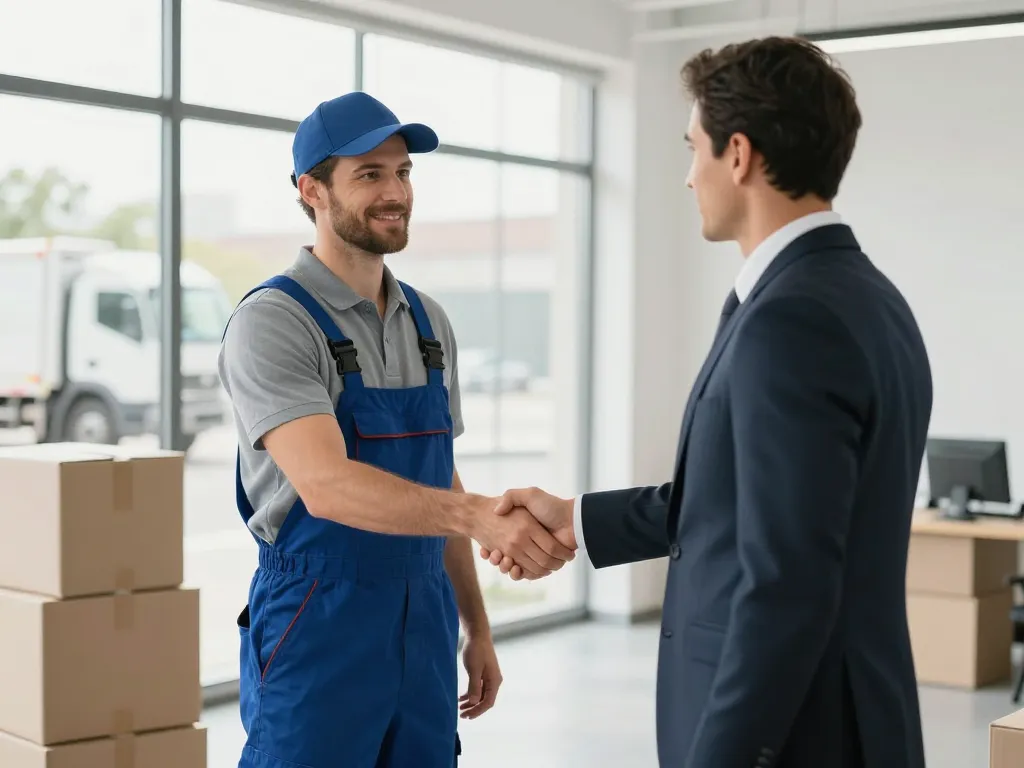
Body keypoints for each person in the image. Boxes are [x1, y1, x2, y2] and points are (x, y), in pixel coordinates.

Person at [482, 37, 933, 768]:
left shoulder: (793, 319)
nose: (688, 176)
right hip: (854, 718)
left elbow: (785, 583)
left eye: (694, 148)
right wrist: (577, 520)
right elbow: (750, 503)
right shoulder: (867, 298)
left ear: (740, 155)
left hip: (801, 737)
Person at [218, 92, 575, 768]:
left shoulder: (428, 322)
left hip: (426, 623)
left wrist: (478, 627)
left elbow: (440, 478)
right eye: (370, 175)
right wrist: (483, 519)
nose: (395, 192)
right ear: (312, 190)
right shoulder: (275, 320)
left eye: (403, 172)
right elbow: (326, 486)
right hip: (318, 618)